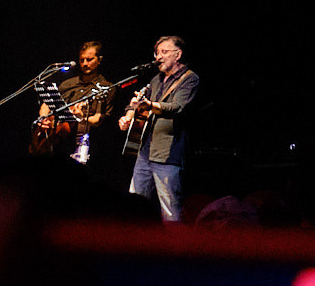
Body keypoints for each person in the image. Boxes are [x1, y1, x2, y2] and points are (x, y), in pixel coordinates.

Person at [121, 34, 198, 222]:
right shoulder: (156, 80)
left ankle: (175, 247)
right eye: (156, 53)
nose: (158, 57)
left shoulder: (190, 79)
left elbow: (177, 107)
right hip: (145, 150)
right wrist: (128, 115)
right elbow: (139, 102)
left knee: (170, 209)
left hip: (167, 153)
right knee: (134, 204)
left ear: (177, 54)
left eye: (164, 52)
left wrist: (150, 105)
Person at [33, 39, 115, 165]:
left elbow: (99, 119)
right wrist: (44, 118)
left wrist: (81, 118)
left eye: (89, 59)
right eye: (81, 60)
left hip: (84, 146)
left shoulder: (106, 87)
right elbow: (46, 103)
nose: (84, 63)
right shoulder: (68, 84)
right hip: (57, 144)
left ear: (99, 60)